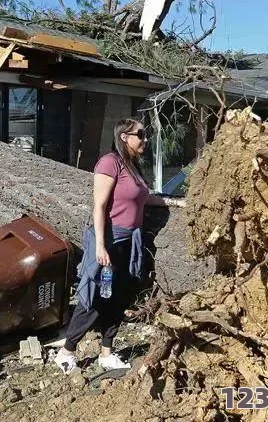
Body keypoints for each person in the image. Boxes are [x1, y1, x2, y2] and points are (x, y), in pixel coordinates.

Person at [53, 118, 186, 373]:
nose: (145, 139)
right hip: (110, 240)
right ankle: (67, 351)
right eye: (141, 134)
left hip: (129, 243)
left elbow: (145, 199)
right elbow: (99, 206)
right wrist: (101, 246)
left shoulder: (132, 166)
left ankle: (106, 352)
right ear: (124, 137)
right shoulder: (109, 163)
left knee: (119, 297)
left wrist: (177, 204)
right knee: (95, 297)